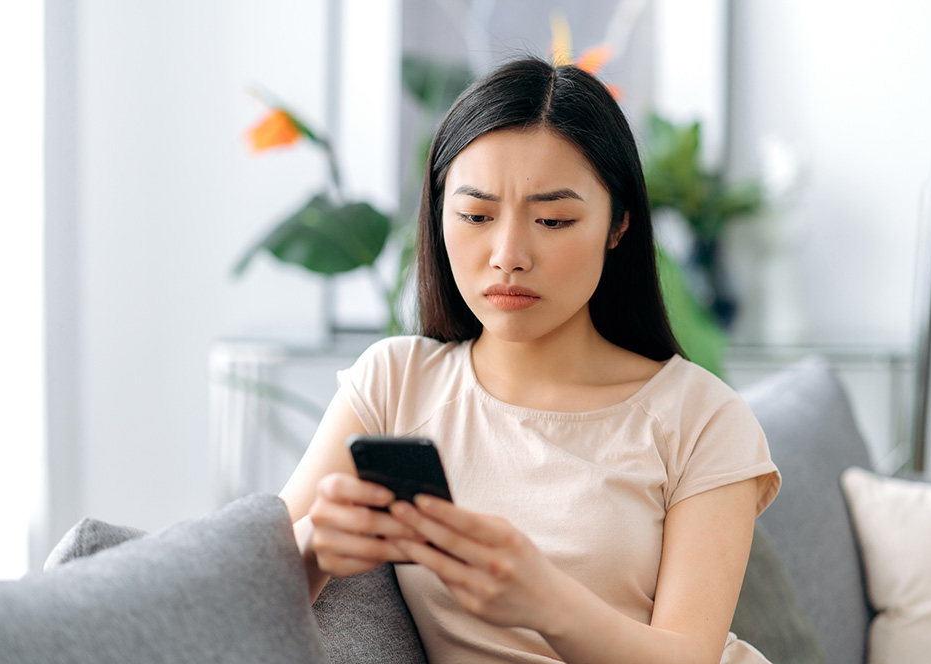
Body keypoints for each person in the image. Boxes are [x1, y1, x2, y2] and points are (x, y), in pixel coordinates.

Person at [279, 57, 781, 664]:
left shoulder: (701, 416)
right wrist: (311, 546)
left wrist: (543, 600)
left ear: (618, 224)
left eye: (553, 219)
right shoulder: (395, 383)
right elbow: (251, 581)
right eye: (475, 216)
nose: (509, 255)